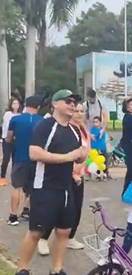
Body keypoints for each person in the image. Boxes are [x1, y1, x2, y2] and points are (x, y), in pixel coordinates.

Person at [14, 89, 88, 275]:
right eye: (68, 101)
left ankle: (56, 271)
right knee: (36, 231)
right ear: (55, 104)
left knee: (64, 231)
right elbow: (34, 153)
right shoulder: (45, 126)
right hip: (45, 187)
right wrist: (68, 157)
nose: (72, 105)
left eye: (75, 102)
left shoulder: (73, 129)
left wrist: (82, 155)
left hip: (66, 188)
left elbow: (77, 157)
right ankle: (22, 270)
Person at [39, 102, 90, 252]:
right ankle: (43, 238)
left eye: (81, 111)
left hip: (79, 174)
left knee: (76, 208)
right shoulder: (65, 130)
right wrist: (73, 172)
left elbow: (85, 152)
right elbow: (65, 154)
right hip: (65, 175)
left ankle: (70, 238)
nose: (79, 114)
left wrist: (81, 169)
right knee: (56, 208)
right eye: (76, 111)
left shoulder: (83, 129)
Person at [6, 96, 43, 227]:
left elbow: (8, 138)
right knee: (33, 187)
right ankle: (28, 210)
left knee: (17, 187)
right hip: (37, 159)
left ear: (25, 105)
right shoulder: (42, 121)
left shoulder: (15, 119)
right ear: (38, 107)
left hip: (20, 157)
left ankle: (13, 215)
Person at [1, 97, 22, 186]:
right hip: (7, 139)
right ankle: (2, 177)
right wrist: (5, 137)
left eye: (17, 103)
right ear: (11, 105)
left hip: (16, 140)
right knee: (6, 158)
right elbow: (5, 126)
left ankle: (14, 178)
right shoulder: (7, 114)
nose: (15, 105)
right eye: (14, 103)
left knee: (15, 159)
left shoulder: (21, 115)